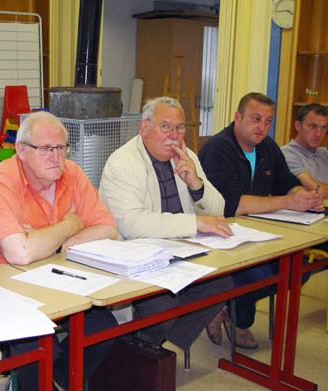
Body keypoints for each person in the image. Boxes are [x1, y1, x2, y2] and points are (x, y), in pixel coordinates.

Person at [0, 111, 118, 391]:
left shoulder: (72, 174)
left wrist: (49, 241)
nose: (56, 157)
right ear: (21, 150)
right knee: (36, 339)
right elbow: (20, 254)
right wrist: (70, 224)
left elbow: (109, 230)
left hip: (53, 275)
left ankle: (47, 377)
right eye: (46, 148)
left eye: (61, 147)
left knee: (103, 328)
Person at [99, 96, 234, 353]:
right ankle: (140, 350)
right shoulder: (122, 163)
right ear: (144, 128)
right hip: (139, 258)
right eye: (165, 127)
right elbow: (132, 224)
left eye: (180, 127)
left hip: (181, 252)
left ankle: (156, 346)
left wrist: (196, 184)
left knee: (221, 284)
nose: (174, 135)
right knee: (161, 307)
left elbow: (218, 213)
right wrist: (194, 223)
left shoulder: (186, 156)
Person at [199, 92, 324, 349]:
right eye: (256, 119)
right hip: (219, 234)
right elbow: (233, 205)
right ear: (238, 117)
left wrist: (304, 197)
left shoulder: (268, 147)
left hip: (256, 233)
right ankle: (239, 319)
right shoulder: (218, 149)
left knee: (298, 269)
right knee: (260, 274)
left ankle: (226, 307)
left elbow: (286, 182)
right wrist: (288, 202)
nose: (262, 127)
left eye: (268, 121)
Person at [282, 103, 328, 271]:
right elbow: (316, 190)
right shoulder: (287, 153)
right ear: (298, 126)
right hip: (313, 228)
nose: (318, 133)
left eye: (323, 128)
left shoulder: (324, 153)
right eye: (312, 126)